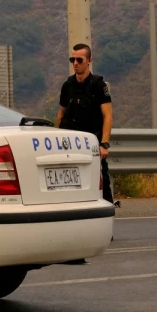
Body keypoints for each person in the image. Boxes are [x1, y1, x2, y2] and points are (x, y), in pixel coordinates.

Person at [55, 43, 114, 203]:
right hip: (69, 143)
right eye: (72, 59)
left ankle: (107, 209)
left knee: (101, 181)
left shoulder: (98, 85)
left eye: (79, 60)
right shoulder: (67, 85)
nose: (75, 63)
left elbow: (108, 116)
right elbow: (61, 114)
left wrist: (104, 144)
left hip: (91, 142)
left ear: (89, 61)